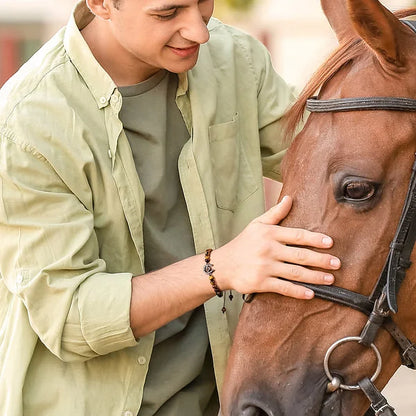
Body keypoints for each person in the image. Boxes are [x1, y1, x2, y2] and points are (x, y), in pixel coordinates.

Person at [0, 0, 341, 415]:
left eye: (203, 3)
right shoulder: (28, 124)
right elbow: (71, 317)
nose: (199, 31)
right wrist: (221, 267)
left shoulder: (236, 60)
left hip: (230, 399)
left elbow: (340, 166)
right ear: (101, 4)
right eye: (168, 13)